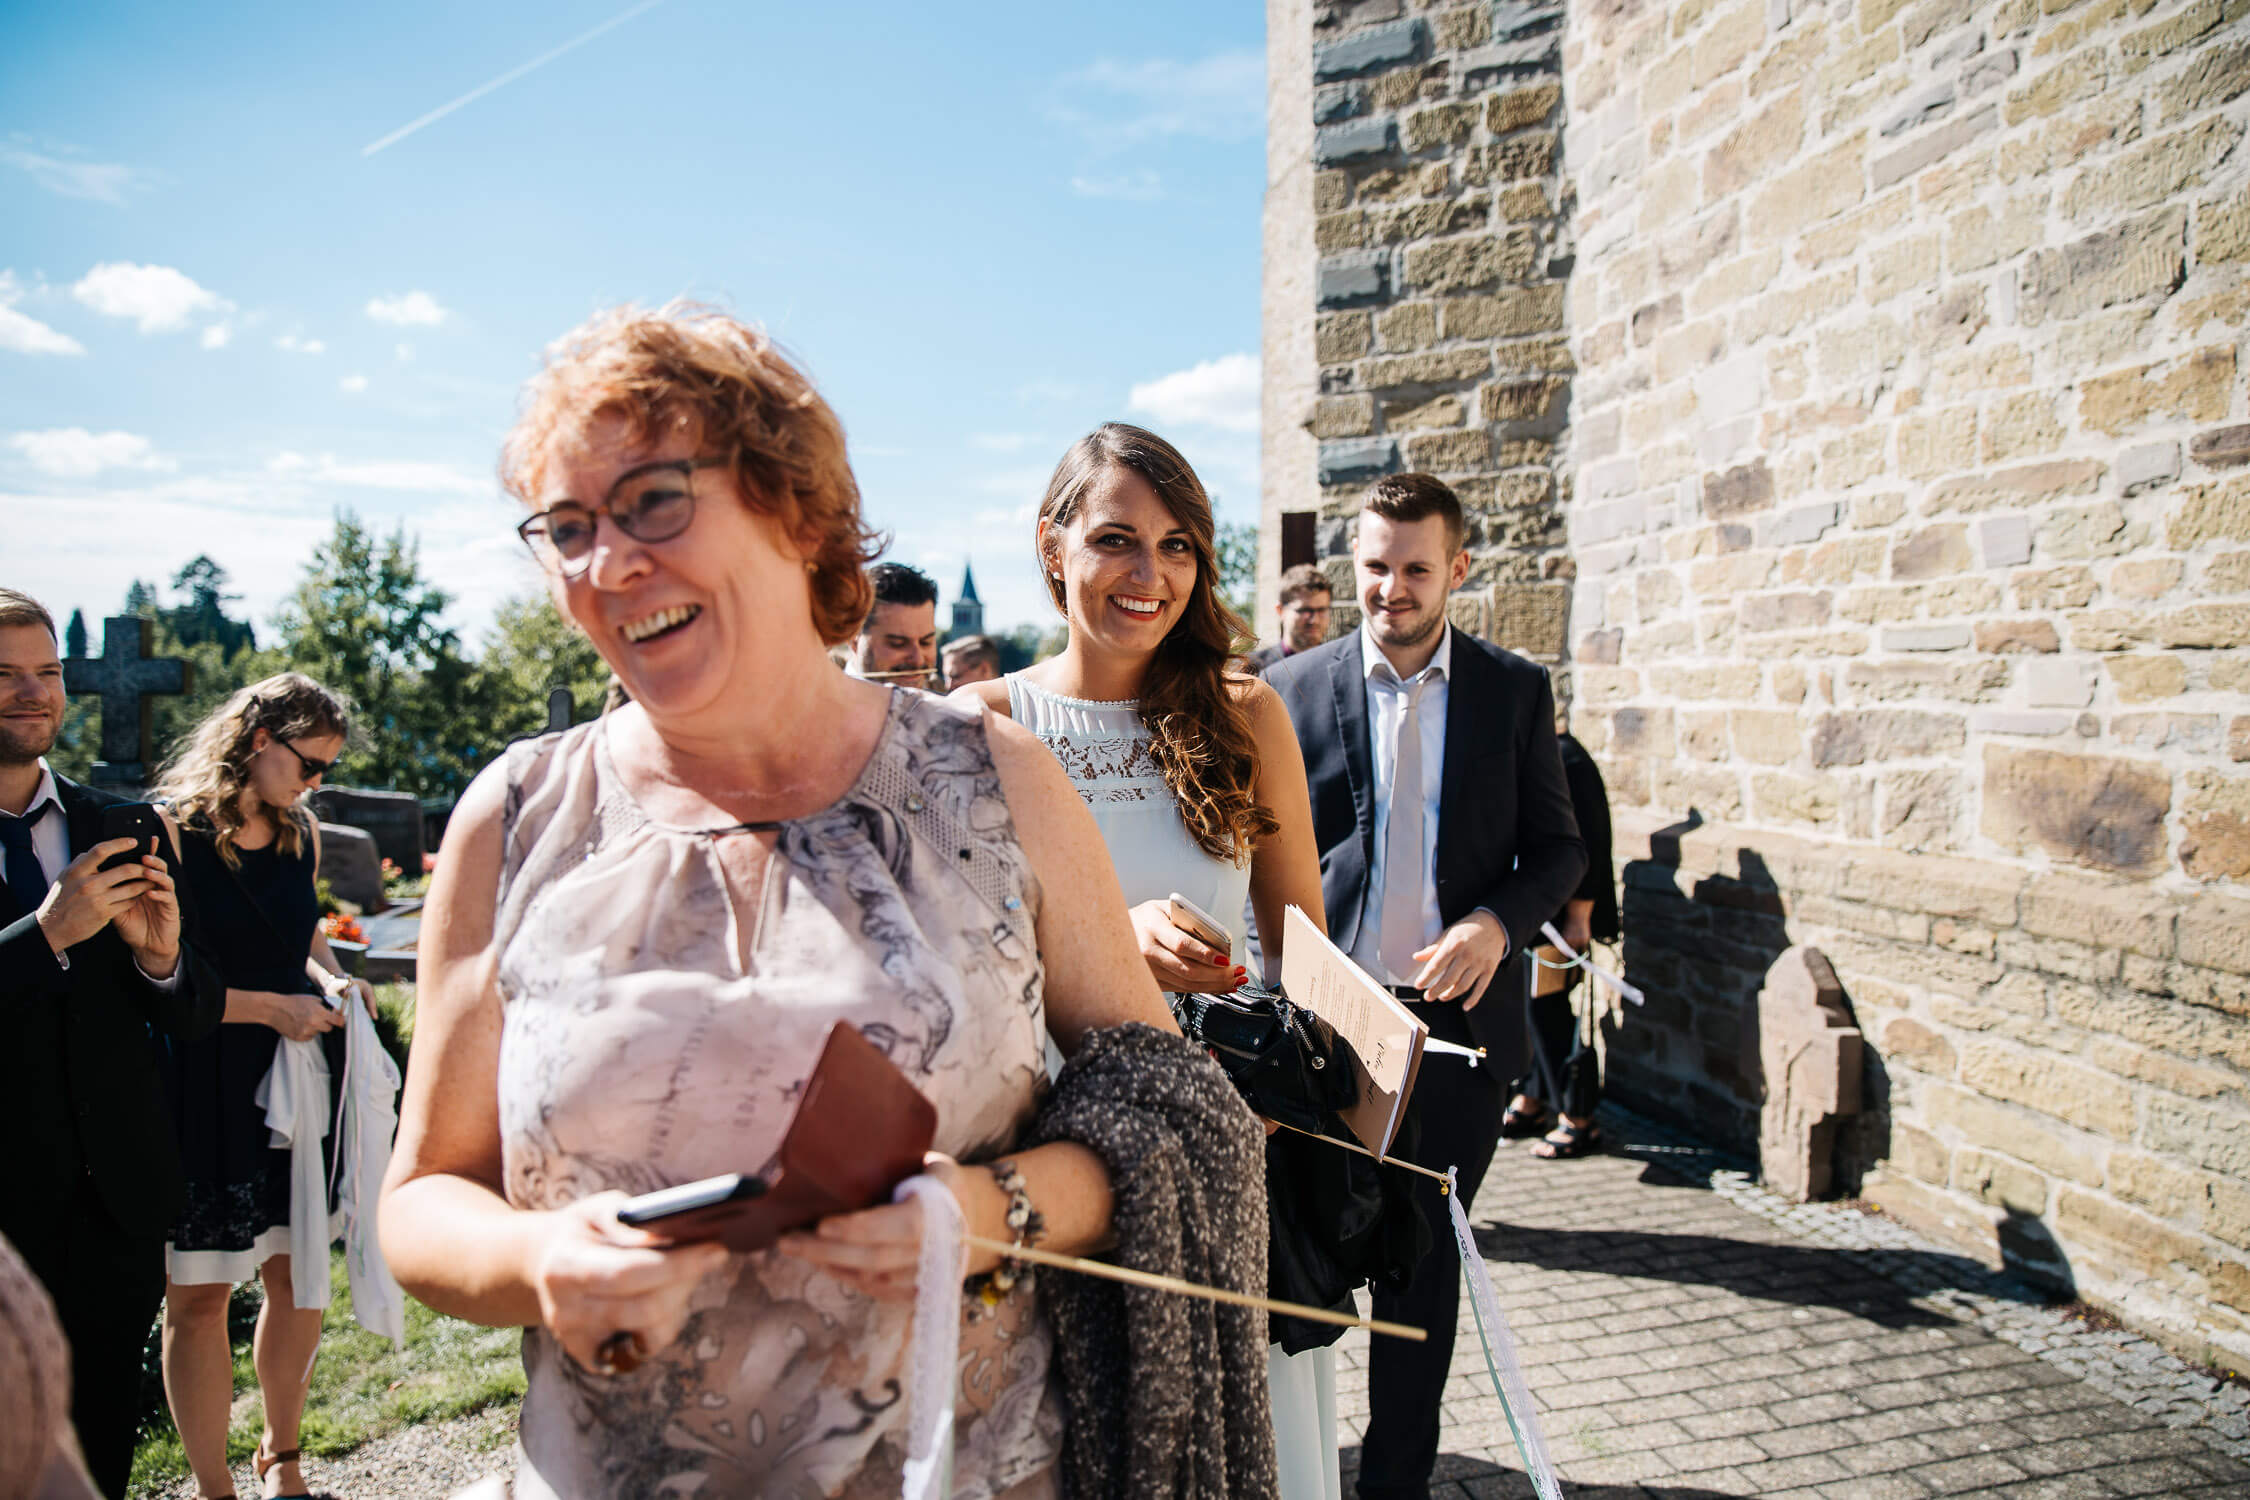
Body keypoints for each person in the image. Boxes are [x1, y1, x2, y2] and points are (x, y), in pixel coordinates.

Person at [379, 305, 1275, 1500]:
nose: (607, 564)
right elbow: (422, 1200)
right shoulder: (513, 819)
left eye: (652, 503)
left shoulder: (993, 781)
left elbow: (1175, 1124)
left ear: (794, 514)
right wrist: (540, 1260)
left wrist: (985, 1209)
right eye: (568, 529)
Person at [955, 422, 1343, 1500]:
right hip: (1042, 1162)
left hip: (1218, 1154)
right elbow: (950, 976)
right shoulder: (978, 725)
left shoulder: (1246, 713)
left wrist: (1314, 1081)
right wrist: (1101, 939)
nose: (1151, 574)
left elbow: (1302, 951)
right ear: (1053, 545)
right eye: (1117, 539)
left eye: (1178, 546)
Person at [1264, 474, 1585, 1500]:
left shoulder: (1514, 690)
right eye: (1375, 566)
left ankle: (1392, 1488)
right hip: (1320, 1033)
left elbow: (1560, 848)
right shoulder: (1287, 688)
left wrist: (1496, 924)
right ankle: (1296, 1473)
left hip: (1454, 1042)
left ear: (1457, 568)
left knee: (1419, 1284)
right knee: (1300, 1271)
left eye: (1415, 568)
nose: (1391, 588)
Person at [0, 588, 222, 1500]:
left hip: (115, 1205)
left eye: (47, 672)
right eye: (5, 675)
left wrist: (163, 961)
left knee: (98, 1458)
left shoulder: (118, 825)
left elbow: (193, 1011)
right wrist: (45, 935)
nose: (33, 693)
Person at [151, 673, 375, 1500]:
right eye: (308, 764)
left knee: (297, 1277)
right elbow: (160, 981)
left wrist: (333, 977)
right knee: (199, 1297)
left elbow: (301, 931)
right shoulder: (173, 834)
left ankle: (283, 1458)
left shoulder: (299, 833)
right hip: (202, 1083)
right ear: (258, 741)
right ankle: (214, 1488)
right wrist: (272, 1008)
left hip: (290, 1080)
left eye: (325, 770)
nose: (315, 783)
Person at [1504, 731, 1618, 1159]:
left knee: (1546, 1011)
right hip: (1533, 913)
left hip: (1562, 917)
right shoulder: (1534, 752)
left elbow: (1591, 841)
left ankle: (1578, 1119)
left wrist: (1579, 916)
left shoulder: (1569, 758)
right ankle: (1532, 1101)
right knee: (1527, 1010)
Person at [849, 560, 940, 686]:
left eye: (926, 642)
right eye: (898, 644)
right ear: (854, 640)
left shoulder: (946, 696)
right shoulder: (823, 697)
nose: (918, 660)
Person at [1241, 564, 1333, 676]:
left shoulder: (1338, 665)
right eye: (1304, 610)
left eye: (1322, 610)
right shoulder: (1252, 669)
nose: (1314, 620)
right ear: (1280, 610)